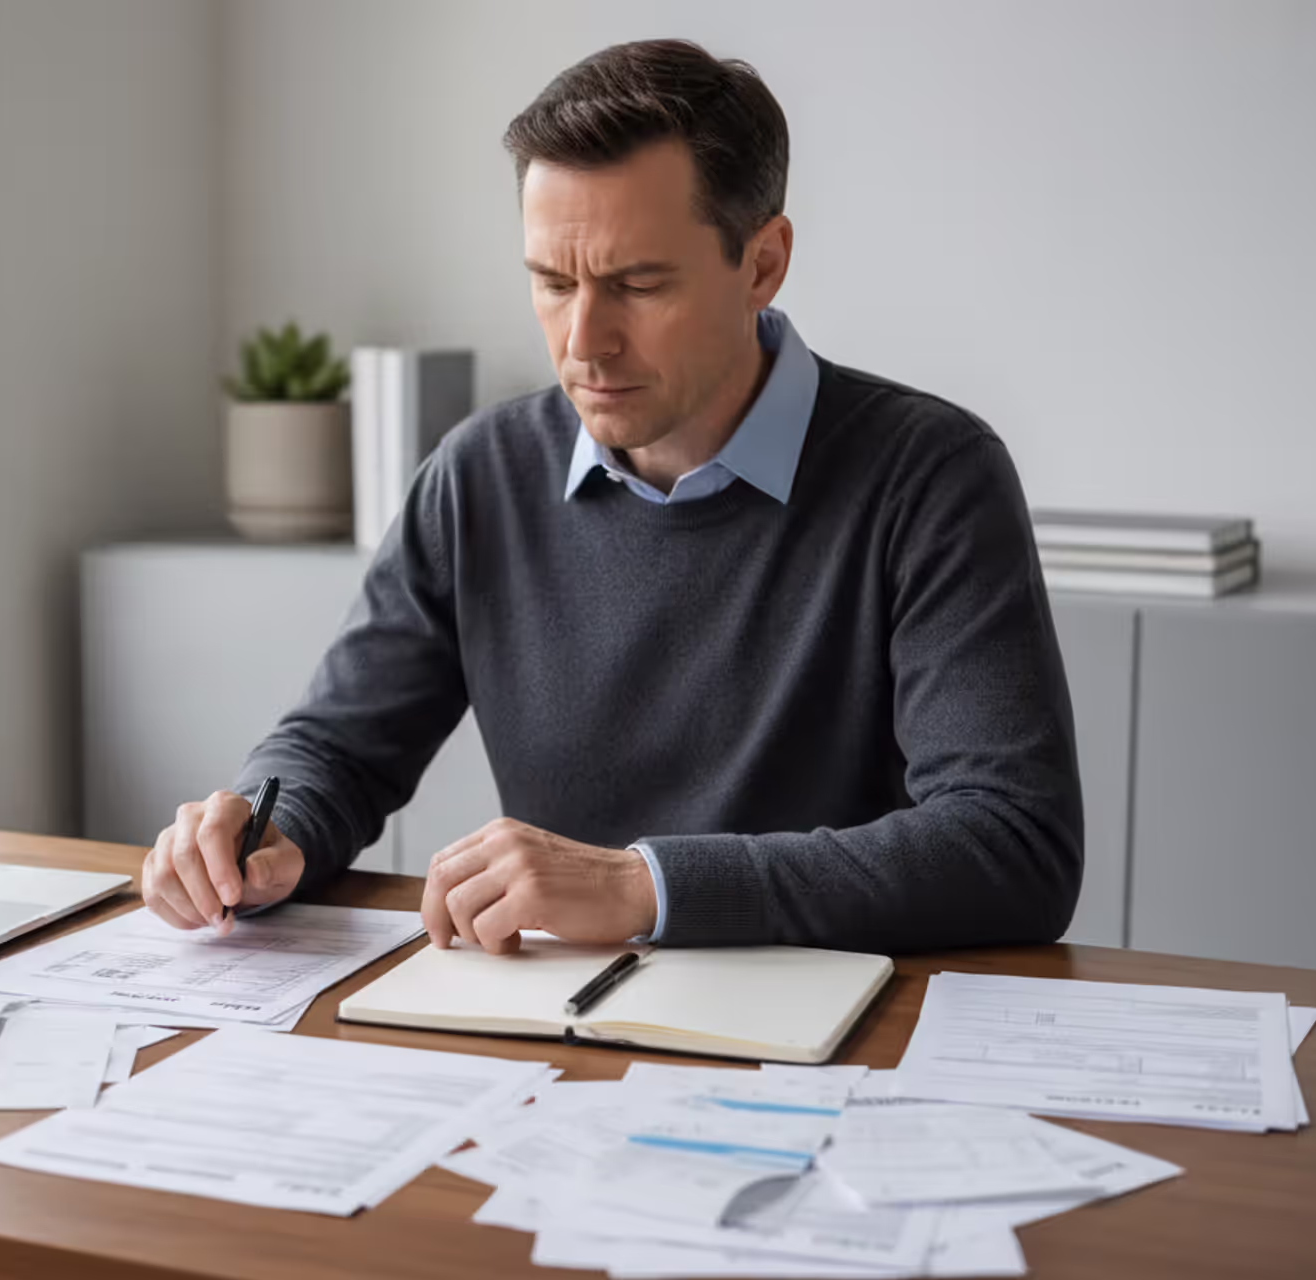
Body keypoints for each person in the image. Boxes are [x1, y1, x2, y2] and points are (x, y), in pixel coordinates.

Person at [141, 38, 1082, 957]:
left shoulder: (931, 475)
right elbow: (337, 749)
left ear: (762, 263)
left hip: (833, 1036)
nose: (585, 341)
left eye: (637, 284)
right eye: (552, 283)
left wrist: (644, 887)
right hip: (554, 1027)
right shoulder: (479, 475)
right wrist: (266, 831)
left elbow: (1012, 843)